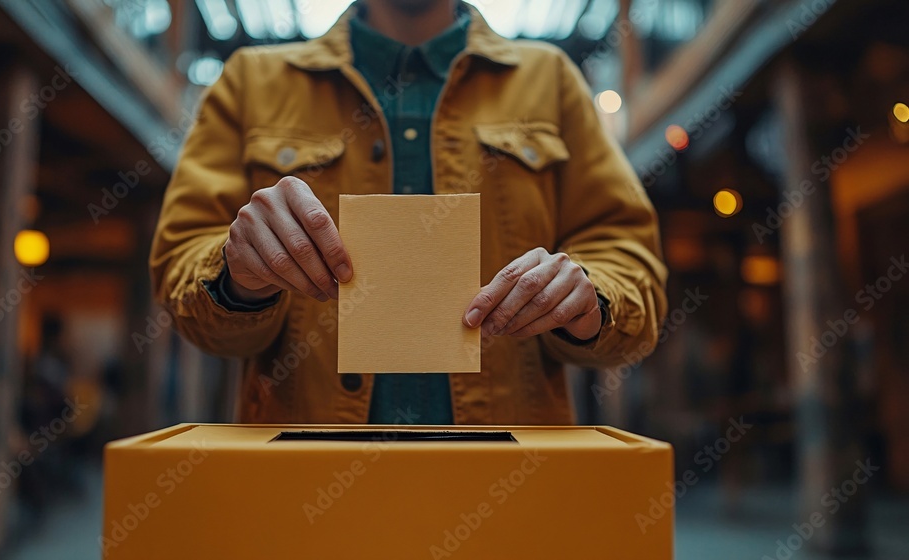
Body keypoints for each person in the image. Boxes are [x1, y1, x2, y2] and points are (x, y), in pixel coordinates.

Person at [150, 0, 668, 425]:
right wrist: (236, 274)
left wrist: (589, 297)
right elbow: (182, 264)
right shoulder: (250, 83)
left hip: (506, 489)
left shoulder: (552, 81)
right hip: (304, 485)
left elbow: (629, 257)